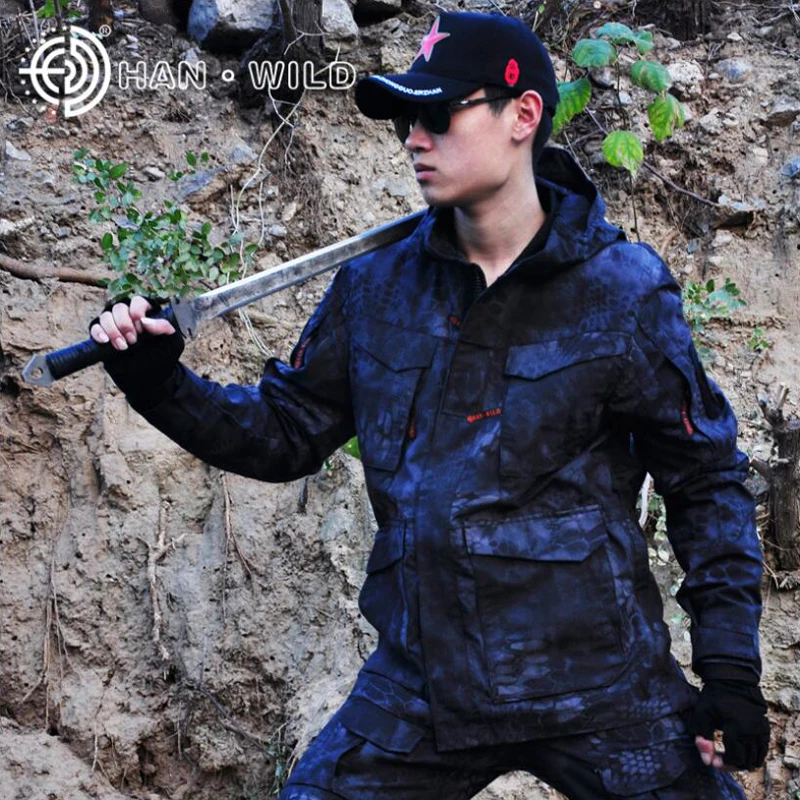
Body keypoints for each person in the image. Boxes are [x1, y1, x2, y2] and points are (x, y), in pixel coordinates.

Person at [89, 10, 770, 799]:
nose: (415, 137)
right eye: (405, 119)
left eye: (439, 114)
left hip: (601, 682)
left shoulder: (621, 292)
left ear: (523, 115)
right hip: (424, 684)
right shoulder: (376, 290)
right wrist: (158, 382)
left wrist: (730, 669)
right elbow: (282, 434)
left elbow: (704, 479)